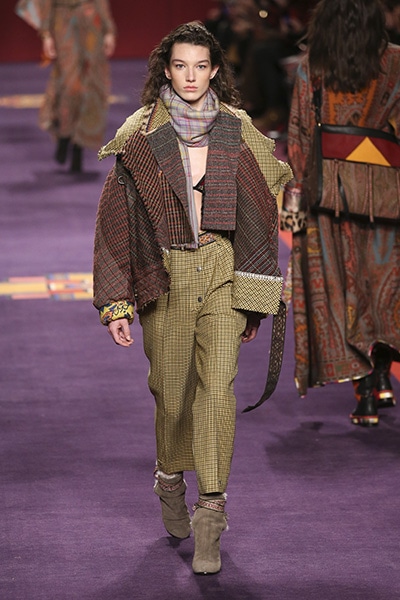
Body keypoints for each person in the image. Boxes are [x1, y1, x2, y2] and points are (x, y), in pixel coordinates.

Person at [93, 22, 292, 574]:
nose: (190, 77)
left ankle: (212, 514)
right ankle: (169, 477)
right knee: (172, 394)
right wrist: (116, 302)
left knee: (218, 389)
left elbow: (263, 204)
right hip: (167, 274)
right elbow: (115, 218)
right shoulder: (141, 130)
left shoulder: (236, 127)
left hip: (223, 267)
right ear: (166, 68)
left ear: (215, 71)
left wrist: (255, 292)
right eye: (181, 66)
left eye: (201, 66)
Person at [284, 0, 400, 426]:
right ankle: (383, 376)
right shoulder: (395, 62)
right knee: (383, 285)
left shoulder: (313, 66)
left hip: (330, 196)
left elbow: (299, 136)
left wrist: (295, 205)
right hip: (385, 195)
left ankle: (365, 391)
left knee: (344, 290)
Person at [15, 0, 116, 172]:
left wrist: (109, 30)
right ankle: (64, 132)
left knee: (90, 85)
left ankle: (78, 146)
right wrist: (46, 34)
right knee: (69, 84)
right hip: (63, 20)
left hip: (91, 20)